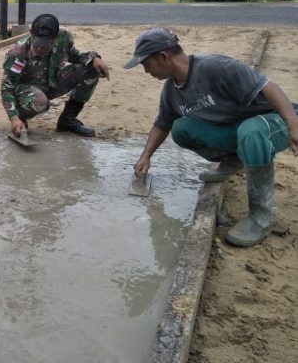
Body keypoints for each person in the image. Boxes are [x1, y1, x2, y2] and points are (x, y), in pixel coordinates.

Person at [125, 27, 298, 247]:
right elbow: (163, 123)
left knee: (251, 131)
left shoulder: (216, 67)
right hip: (239, 129)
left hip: (275, 121)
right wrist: (145, 156)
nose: (146, 70)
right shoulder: (171, 90)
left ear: (163, 56)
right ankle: (233, 160)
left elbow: (269, 87)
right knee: (181, 128)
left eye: (146, 63)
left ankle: (260, 218)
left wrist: (293, 125)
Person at [1, 13, 109, 137]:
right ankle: (21, 118)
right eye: (37, 46)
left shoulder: (64, 38)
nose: (41, 49)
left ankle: (67, 120)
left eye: (46, 46)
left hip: (52, 82)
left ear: (56, 38)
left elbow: (74, 56)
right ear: (31, 34)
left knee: (91, 69)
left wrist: (94, 58)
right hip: (26, 92)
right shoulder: (18, 53)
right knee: (40, 102)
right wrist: (13, 117)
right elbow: (7, 88)